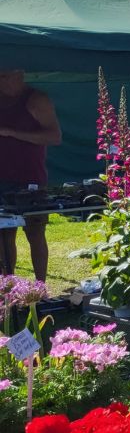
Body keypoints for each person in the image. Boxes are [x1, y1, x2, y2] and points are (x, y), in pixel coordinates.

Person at [0, 69, 62, 283]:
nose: (1, 81)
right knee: (4, 235)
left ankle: (41, 287)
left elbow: (54, 137)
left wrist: (11, 132)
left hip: (29, 179)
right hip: (2, 179)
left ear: (19, 74)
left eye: (3, 75)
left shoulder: (36, 100)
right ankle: (9, 291)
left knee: (35, 233)